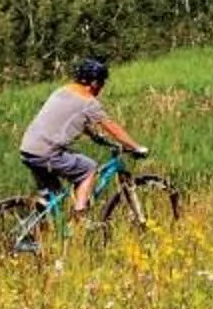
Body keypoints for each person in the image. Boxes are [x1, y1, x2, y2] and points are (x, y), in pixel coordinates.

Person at [19, 57, 146, 217]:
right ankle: (80, 219)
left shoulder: (63, 90)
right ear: (94, 83)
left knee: (55, 197)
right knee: (89, 168)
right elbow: (111, 126)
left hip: (28, 149)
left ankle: (39, 233)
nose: (101, 88)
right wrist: (136, 147)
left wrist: (95, 137)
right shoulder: (88, 102)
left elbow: (73, 117)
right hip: (47, 153)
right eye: (101, 83)